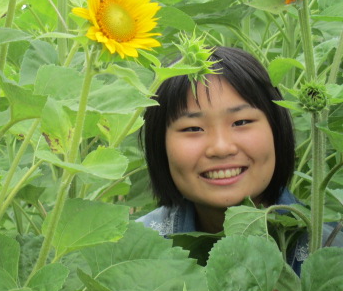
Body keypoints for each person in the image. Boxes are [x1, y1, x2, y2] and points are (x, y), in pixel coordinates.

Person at [137, 45, 342, 274]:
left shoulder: (331, 252)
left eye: (241, 122)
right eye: (193, 128)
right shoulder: (134, 254)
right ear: (159, 145)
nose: (221, 148)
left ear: (278, 130)